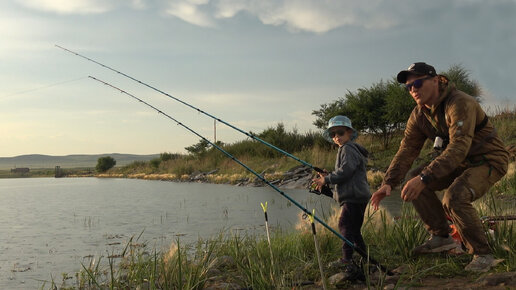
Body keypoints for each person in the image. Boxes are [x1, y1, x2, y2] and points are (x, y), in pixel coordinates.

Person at [371, 62, 509, 272]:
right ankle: (442, 237)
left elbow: (458, 148)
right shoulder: (419, 115)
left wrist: (425, 178)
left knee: (454, 197)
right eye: (408, 87)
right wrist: (388, 182)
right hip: (460, 162)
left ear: (436, 80)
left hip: (488, 159)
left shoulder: (460, 103)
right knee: (413, 178)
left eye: (417, 83)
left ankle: (483, 254)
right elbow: (407, 149)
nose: (413, 90)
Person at [312, 115, 371, 278]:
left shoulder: (348, 148)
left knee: (344, 224)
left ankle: (346, 259)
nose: (336, 137)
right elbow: (347, 173)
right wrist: (328, 175)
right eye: (333, 134)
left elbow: (346, 171)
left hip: (354, 197)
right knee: (354, 229)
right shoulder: (347, 148)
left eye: (340, 132)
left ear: (350, 132)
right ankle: (364, 255)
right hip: (357, 195)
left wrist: (326, 179)